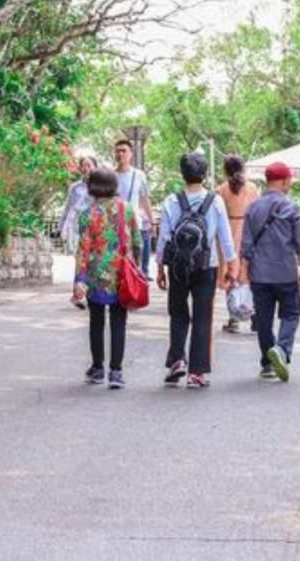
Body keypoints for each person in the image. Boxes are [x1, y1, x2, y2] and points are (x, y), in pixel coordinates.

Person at [156, 151, 238, 389]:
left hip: (178, 267)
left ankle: (177, 361)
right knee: (203, 317)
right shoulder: (216, 201)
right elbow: (224, 238)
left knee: (178, 313)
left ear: (183, 174)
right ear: (204, 174)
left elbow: (164, 238)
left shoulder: (172, 201)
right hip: (206, 265)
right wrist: (231, 264)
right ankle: (197, 373)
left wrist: (160, 267)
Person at [72, 167, 142, 390]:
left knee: (96, 321)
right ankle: (116, 371)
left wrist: (79, 280)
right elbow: (138, 241)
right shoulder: (127, 209)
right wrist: (136, 266)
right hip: (121, 274)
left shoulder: (87, 215)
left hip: (95, 275)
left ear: (92, 187)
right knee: (119, 322)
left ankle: (97, 367)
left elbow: (83, 250)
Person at [239, 162, 300, 382]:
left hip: (259, 274)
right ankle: (282, 349)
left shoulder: (253, 207)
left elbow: (246, 244)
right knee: (292, 313)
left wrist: (244, 272)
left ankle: (268, 364)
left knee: (264, 320)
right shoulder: (291, 207)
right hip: (285, 272)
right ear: (285, 181)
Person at [216, 155, 260, 334]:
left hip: (229, 232)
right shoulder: (252, 188)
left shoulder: (221, 190)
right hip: (249, 231)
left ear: (225, 170)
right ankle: (255, 317)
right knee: (251, 275)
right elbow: (258, 211)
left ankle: (233, 317)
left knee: (230, 274)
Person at [114, 139, 156, 281]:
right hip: (114, 224)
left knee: (134, 258)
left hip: (133, 224)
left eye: (124, 151)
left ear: (131, 153)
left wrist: (152, 221)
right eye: (118, 151)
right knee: (115, 259)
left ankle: (131, 289)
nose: (120, 154)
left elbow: (144, 199)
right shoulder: (111, 175)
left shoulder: (138, 175)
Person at [59, 155, 99, 255]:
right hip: (75, 223)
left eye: (89, 165)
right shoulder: (74, 187)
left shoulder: (100, 187)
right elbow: (68, 207)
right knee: (77, 254)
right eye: (83, 166)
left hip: (92, 224)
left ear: (95, 167)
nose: (86, 169)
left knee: (90, 255)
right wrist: (61, 226)